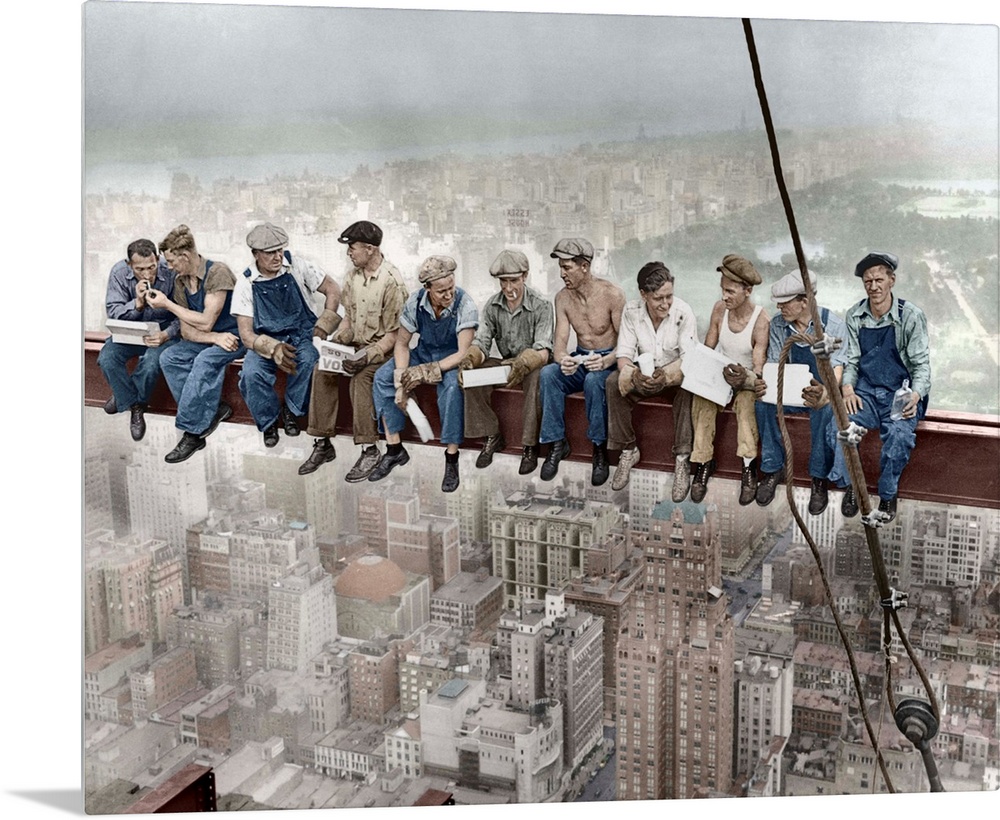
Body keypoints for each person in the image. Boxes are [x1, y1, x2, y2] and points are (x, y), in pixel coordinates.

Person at [298, 220, 407, 481]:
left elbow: (395, 335)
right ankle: (322, 443)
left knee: (362, 378)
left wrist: (367, 355)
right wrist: (337, 342)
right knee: (322, 368)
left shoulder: (392, 282)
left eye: (353, 248)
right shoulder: (352, 276)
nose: (349, 253)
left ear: (370, 249)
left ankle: (370, 449)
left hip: (381, 351)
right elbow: (348, 318)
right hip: (355, 345)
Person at [834, 252, 930, 523]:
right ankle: (853, 486)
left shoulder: (910, 316)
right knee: (841, 425)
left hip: (901, 393)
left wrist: (916, 394)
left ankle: (888, 494)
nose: (873, 286)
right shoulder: (855, 315)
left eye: (879, 280)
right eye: (868, 281)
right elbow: (851, 361)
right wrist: (848, 388)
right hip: (865, 392)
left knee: (899, 436)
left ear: (892, 281)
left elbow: (922, 366)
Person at [369, 255, 478, 493]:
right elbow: (401, 344)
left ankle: (451, 457)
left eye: (451, 288)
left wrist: (425, 373)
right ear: (427, 289)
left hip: (451, 358)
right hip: (425, 351)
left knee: (452, 388)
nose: (448, 295)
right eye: (441, 291)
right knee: (382, 378)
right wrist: (401, 381)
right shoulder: (414, 302)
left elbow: (462, 352)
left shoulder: (465, 304)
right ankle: (395, 448)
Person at [231, 222, 341, 448]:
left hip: (301, 334)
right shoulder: (246, 282)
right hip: (266, 339)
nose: (277, 256)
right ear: (255, 254)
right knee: (251, 374)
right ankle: (268, 421)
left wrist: (324, 323)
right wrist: (273, 349)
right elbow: (246, 334)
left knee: (310, 360)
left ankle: (291, 410)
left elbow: (333, 289)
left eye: (280, 250)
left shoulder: (297, 266)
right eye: (270, 252)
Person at [753, 270, 849, 515]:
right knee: (762, 403)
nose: (779, 308)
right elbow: (775, 363)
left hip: (817, 391)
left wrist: (825, 392)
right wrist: (767, 385)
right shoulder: (778, 325)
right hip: (788, 390)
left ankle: (818, 479)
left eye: (785, 303)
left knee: (824, 410)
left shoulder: (833, 325)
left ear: (804, 301)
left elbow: (837, 368)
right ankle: (773, 467)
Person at [148, 225, 245, 463]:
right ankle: (212, 411)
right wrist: (214, 338)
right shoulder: (180, 282)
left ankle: (191, 433)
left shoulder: (217, 272)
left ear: (186, 256)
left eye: (172, 261)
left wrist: (168, 305)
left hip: (236, 337)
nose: (169, 267)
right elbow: (187, 331)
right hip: (214, 339)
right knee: (169, 357)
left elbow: (205, 320)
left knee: (204, 360)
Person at [538, 238, 625, 486]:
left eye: (568, 267)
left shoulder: (613, 295)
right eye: (561, 267)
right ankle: (557, 443)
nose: (562, 273)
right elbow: (559, 346)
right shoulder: (563, 299)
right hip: (581, 356)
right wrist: (564, 361)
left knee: (595, 381)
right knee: (549, 375)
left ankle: (599, 448)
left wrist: (607, 358)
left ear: (584, 266)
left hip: (608, 359)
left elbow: (628, 344)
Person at [605, 261, 697, 494]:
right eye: (659, 298)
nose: (665, 304)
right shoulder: (631, 311)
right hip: (645, 373)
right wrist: (634, 375)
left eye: (669, 296)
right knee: (613, 383)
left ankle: (682, 459)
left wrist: (666, 376)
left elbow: (690, 358)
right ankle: (628, 450)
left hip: (675, 375)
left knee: (689, 388)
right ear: (643, 294)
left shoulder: (683, 312)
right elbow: (624, 354)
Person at [459, 249, 553, 475]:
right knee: (471, 377)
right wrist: (470, 359)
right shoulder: (492, 305)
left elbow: (543, 348)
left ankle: (529, 445)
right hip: (506, 363)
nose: (508, 288)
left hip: (531, 364)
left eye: (514, 281)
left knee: (537, 378)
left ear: (525, 276)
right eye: (504, 282)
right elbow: (482, 341)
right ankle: (492, 434)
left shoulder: (541, 305)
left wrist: (525, 362)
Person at [689, 254, 769, 505]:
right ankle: (703, 462)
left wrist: (744, 378)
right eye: (722, 290)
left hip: (744, 378)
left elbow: (758, 368)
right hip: (721, 372)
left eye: (730, 291)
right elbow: (709, 347)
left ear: (747, 291)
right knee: (702, 400)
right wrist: (704, 375)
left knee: (746, 405)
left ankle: (748, 467)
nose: (724, 296)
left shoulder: (760, 320)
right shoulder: (719, 309)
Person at [97, 238, 180, 441]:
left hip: (161, 333)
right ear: (129, 265)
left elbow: (183, 314)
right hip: (129, 331)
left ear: (158, 259)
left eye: (151, 267)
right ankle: (134, 404)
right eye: (140, 269)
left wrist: (166, 334)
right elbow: (114, 312)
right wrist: (138, 304)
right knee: (107, 359)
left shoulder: (171, 271)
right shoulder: (118, 273)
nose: (147, 274)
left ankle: (127, 400)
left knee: (151, 364)